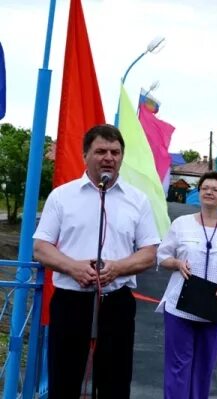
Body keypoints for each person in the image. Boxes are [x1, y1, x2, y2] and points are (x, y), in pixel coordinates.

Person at [33, 124, 160, 399]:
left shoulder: (137, 200)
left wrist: (118, 268)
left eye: (115, 152)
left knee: (115, 381)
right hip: (70, 299)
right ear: (85, 155)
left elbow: (150, 252)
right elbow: (41, 248)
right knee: (64, 380)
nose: (109, 157)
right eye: (101, 150)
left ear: (122, 157)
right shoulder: (62, 196)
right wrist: (72, 267)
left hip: (117, 302)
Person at [157, 171, 217, 399]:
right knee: (178, 366)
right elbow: (162, 256)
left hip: (215, 305)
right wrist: (178, 263)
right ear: (198, 192)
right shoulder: (181, 224)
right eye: (204, 188)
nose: (209, 192)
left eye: (215, 189)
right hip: (180, 304)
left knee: (204, 368)